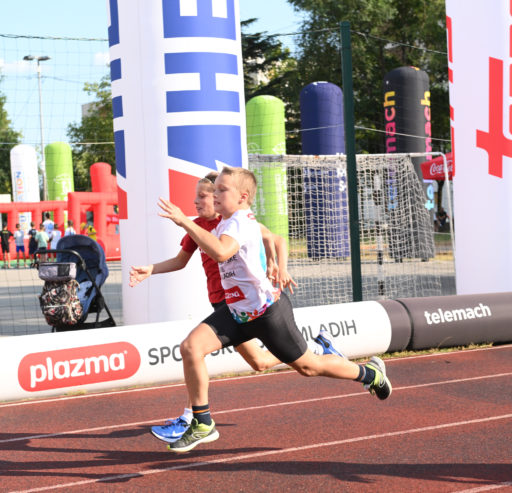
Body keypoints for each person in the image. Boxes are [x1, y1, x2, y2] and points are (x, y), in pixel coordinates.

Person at [157, 166, 392, 453]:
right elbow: (269, 238)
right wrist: (272, 262)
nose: (214, 195)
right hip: (236, 312)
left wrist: (183, 221)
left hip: (268, 314)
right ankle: (202, 422)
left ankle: (370, 374)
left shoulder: (237, 224)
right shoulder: (226, 222)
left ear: (243, 197)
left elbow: (221, 251)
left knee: (309, 367)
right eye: (213, 190)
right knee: (191, 347)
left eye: (221, 190)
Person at [131, 172, 343, 444]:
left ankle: (194, 418)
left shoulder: (232, 222)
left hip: (251, 304)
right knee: (259, 362)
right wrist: (150, 269)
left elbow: (274, 239)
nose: (197, 201)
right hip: (225, 303)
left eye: (204, 196)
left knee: (195, 349)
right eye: (200, 195)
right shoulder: (198, 227)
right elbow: (180, 261)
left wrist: (276, 264)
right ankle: (314, 349)